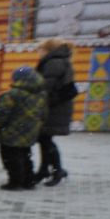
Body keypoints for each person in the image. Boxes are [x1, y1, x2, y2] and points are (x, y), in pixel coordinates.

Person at [0, 66, 48, 191]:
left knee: (11, 157)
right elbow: (44, 114)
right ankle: (28, 180)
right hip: (30, 132)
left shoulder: (12, 94)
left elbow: (1, 113)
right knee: (25, 155)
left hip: (11, 132)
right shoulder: (41, 95)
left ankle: (15, 182)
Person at [33, 40, 77, 186]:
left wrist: (39, 102)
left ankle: (56, 170)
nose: (38, 52)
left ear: (48, 50)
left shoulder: (53, 63)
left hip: (52, 108)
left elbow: (46, 87)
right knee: (44, 139)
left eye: (40, 49)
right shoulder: (60, 61)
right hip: (55, 106)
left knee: (45, 139)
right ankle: (45, 169)